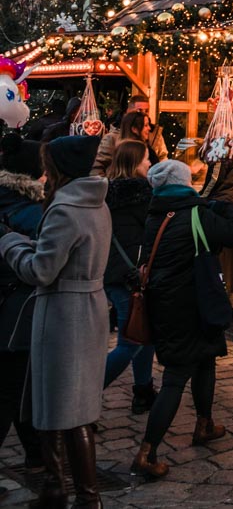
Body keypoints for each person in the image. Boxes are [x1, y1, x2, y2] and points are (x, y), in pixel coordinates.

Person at [0, 134, 110, 509]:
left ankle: (82, 495)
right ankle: (59, 487)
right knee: (67, 405)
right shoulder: (95, 203)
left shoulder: (65, 209)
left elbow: (42, 271)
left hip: (64, 313)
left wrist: (9, 243)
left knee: (65, 407)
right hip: (87, 308)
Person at [131, 158, 233, 481]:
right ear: (185, 183)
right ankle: (146, 451)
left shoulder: (157, 213)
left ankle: (204, 423)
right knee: (176, 377)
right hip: (193, 302)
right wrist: (229, 204)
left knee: (206, 358)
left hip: (167, 301)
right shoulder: (196, 213)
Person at [0, 133, 44, 480]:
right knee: (13, 388)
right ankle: (36, 455)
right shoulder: (32, 211)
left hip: (8, 305)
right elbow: (40, 266)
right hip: (17, 310)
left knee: (17, 385)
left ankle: (36, 454)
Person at [103, 139, 156, 412]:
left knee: (141, 330)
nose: (150, 163)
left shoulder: (106, 192)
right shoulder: (143, 195)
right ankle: (85, 393)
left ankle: (143, 389)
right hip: (131, 275)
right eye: (146, 159)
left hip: (112, 272)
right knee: (130, 341)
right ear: (136, 163)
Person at [92, 104, 165, 179]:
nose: (149, 128)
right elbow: (98, 167)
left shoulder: (147, 148)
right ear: (134, 129)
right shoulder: (113, 140)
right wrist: (105, 186)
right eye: (146, 125)